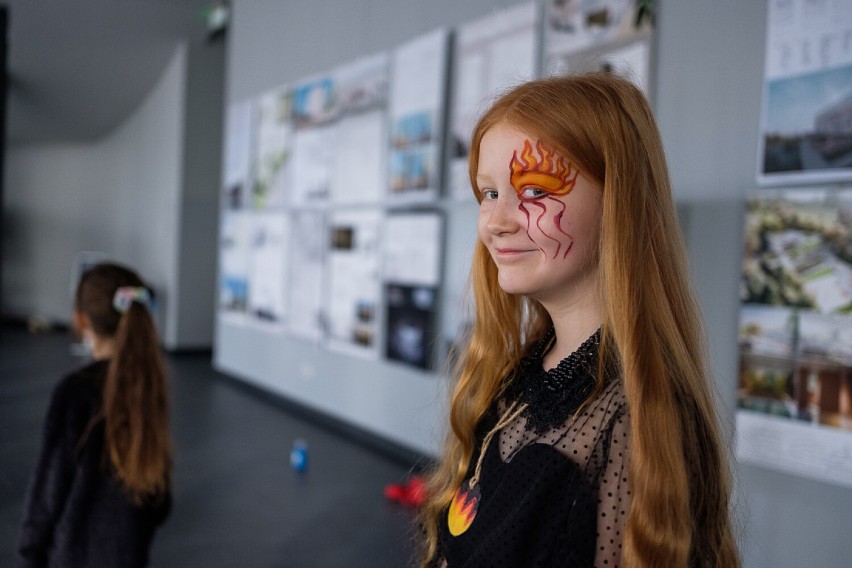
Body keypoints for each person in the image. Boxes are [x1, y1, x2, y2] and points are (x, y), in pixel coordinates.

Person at [419, 73, 739, 567]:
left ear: (618, 202)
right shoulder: (520, 373)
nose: (497, 221)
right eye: (488, 193)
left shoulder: (631, 425)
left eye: (535, 192)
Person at [18, 262, 172, 567]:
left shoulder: (74, 392)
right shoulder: (148, 390)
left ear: (80, 320)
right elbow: (161, 503)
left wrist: (29, 553)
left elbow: (48, 492)